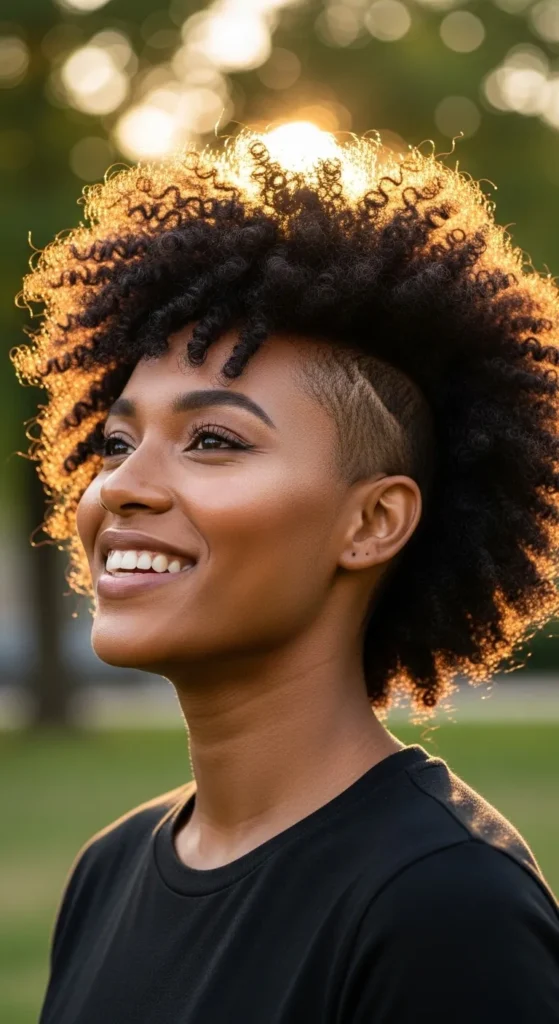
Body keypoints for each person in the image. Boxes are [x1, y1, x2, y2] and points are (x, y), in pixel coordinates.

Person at [11, 129, 559, 1022]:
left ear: (372, 522)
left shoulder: (445, 909)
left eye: (213, 441)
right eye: (116, 442)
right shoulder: (107, 870)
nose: (123, 487)